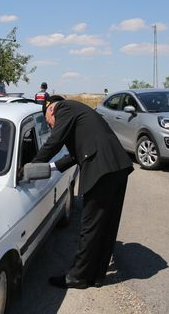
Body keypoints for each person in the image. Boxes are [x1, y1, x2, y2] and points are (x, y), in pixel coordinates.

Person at [30, 95, 134, 289]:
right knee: (106, 224)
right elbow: (74, 155)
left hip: (102, 170)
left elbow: (54, 141)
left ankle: (77, 277)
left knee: (90, 226)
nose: (50, 125)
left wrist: (32, 165)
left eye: (47, 120)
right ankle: (96, 275)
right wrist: (51, 167)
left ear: (50, 109)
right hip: (117, 168)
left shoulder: (64, 108)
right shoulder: (78, 114)